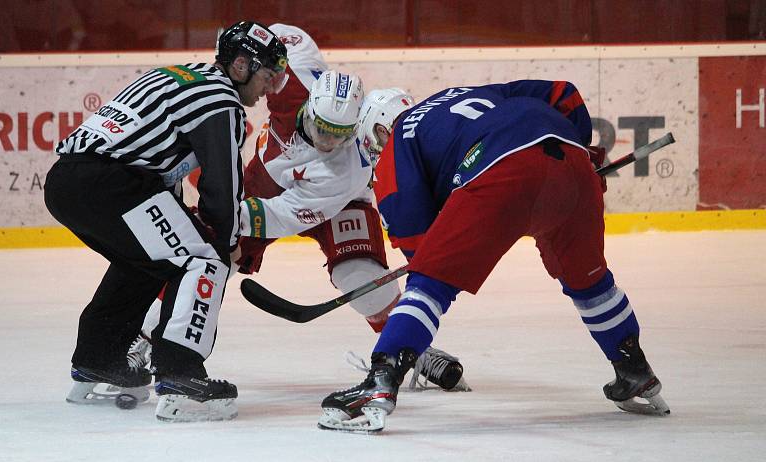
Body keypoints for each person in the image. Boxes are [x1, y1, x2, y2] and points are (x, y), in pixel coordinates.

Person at [130, 24, 469, 392]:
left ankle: (410, 346)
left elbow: (281, 215)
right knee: (213, 256)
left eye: (336, 135)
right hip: (262, 182)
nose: (325, 142)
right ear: (308, 104)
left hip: (331, 204)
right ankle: (142, 339)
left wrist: (227, 216)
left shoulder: (345, 171)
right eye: (319, 128)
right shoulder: (291, 80)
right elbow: (269, 38)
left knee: (358, 273)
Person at [318, 81, 670, 433]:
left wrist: (431, 257)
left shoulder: (399, 139)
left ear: (381, 128)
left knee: (428, 285)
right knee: (590, 282)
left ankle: (380, 382)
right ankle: (635, 371)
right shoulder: (461, 97)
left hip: (497, 168)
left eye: (374, 143)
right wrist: (578, 150)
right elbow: (565, 94)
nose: (379, 150)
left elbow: (417, 244)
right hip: (573, 165)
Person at [44, 21, 288, 422]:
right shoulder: (220, 100)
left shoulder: (181, 76)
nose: (267, 91)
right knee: (204, 260)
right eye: (266, 77)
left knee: (147, 261)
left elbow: (153, 166)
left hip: (67, 182)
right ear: (241, 66)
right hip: (112, 184)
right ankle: (180, 375)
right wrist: (225, 241)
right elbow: (222, 188)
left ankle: (99, 358)